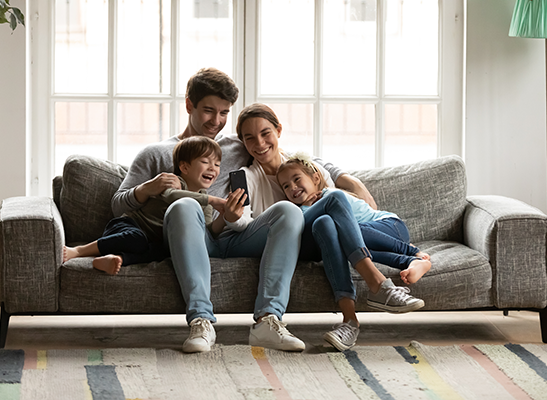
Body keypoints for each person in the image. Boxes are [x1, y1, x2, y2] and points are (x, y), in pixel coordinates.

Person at [112, 68, 376, 353]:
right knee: (185, 204)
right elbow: (117, 205)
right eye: (208, 111)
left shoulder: (239, 146)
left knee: (288, 210)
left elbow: (289, 157)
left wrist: (346, 179)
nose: (216, 121)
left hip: (239, 232)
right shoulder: (158, 153)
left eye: (224, 113)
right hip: (194, 236)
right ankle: (201, 321)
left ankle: (268, 321)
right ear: (189, 105)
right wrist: (147, 188)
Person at [233, 103, 425, 352]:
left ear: (279, 130)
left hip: (321, 233)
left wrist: (350, 182)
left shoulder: (305, 164)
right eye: (249, 138)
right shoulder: (247, 177)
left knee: (326, 220)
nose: (259, 143)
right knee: (333, 201)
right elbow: (247, 225)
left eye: (265, 133)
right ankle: (379, 284)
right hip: (294, 240)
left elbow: (336, 205)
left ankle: (349, 322)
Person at [62, 136, 229, 275]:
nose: (212, 168)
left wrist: (224, 216)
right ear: (184, 166)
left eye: (217, 164)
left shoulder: (205, 200)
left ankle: (116, 259)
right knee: (136, 239)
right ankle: (78, 251)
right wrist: (214, 201)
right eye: (206, 162)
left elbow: (206, 231)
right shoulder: (174, 181)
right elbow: (172, 196)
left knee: (160, 253)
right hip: (131, 226)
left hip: (153, 240)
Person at [277, 154, 432, 285]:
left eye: (297, 179)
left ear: (316, 178)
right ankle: (409, 262)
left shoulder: (329, 195)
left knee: (350, 232)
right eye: (286, 186)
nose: (292, 187)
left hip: (390, 225)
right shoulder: (301, 213)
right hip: (366, 240)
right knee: (352, 250)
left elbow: (345, 225)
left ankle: (413, 251)